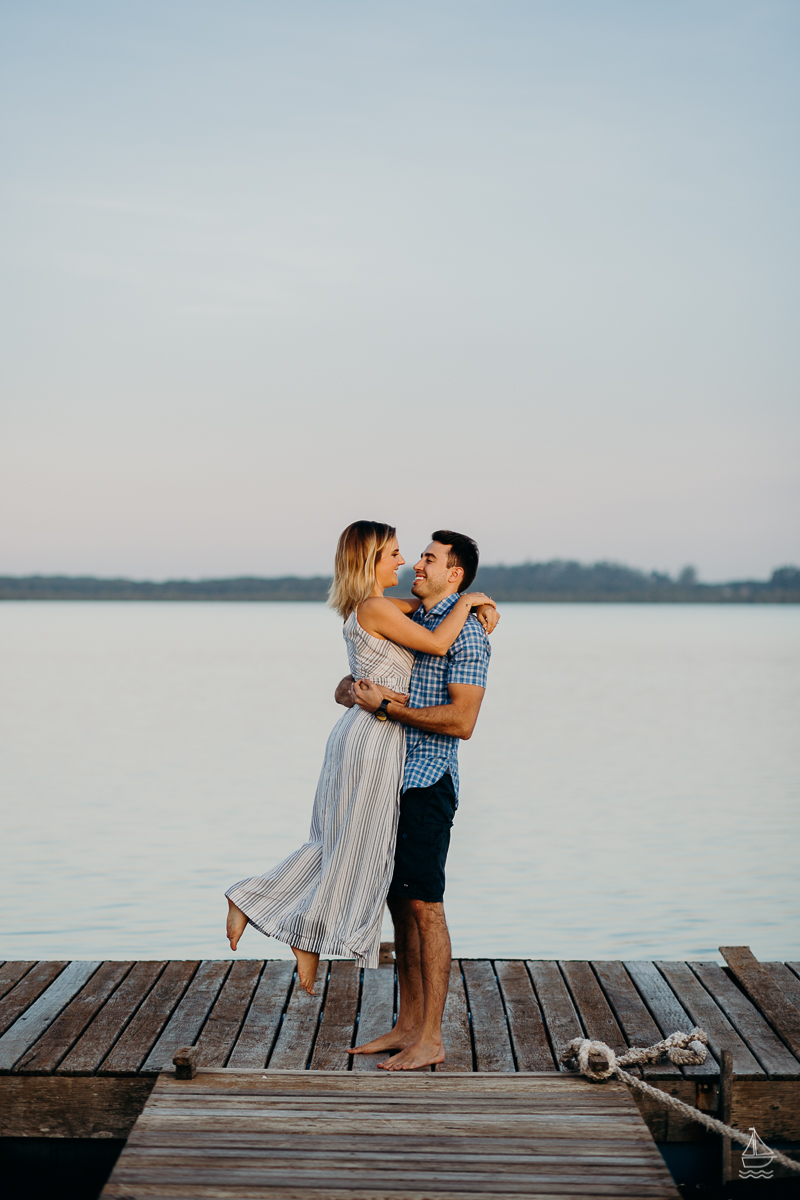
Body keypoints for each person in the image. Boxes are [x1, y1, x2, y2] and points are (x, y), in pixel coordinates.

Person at [224, 521, 496, 994]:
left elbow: (429, 617)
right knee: (350, 846)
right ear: (371, 561)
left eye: (419, 557)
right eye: (394, 553)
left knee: (344, 842)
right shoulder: (376, 606)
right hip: (374, 736)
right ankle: (257, 902)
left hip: (371, 736)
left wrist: (473, 600)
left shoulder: (382, 606)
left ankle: (300, 933)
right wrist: (473, 601)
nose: (406, 561)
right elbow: (434, 642)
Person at [335, 530, 492, 1070]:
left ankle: (432, 1037)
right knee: (399, 905)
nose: (416, 564)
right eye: (415, 555)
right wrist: (353, 688)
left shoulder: (468, 637)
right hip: (388, 781)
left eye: (429, 559)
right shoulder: (420, 621)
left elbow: (462, 722)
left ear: (455, 573)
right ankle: (406, 1025)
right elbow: (369, 664)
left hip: (428, 783)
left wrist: (386, 711)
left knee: (426, 908)